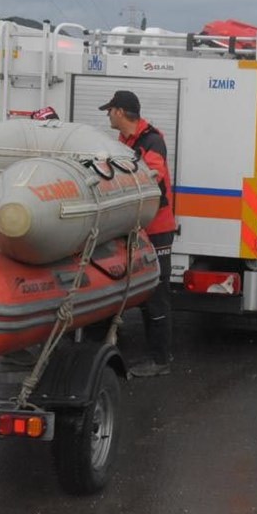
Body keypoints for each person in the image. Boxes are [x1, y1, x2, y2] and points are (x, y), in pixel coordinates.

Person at [100, 90, 176, 377]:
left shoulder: (152, 141)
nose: (108, 116)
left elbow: (152, 176)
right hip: (134, 227)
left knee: (156, 293)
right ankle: (118, 348)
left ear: (120, 112)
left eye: (110, 111)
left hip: (156, 228)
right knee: (130, 288)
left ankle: (160, 360)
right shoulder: (124, 141)